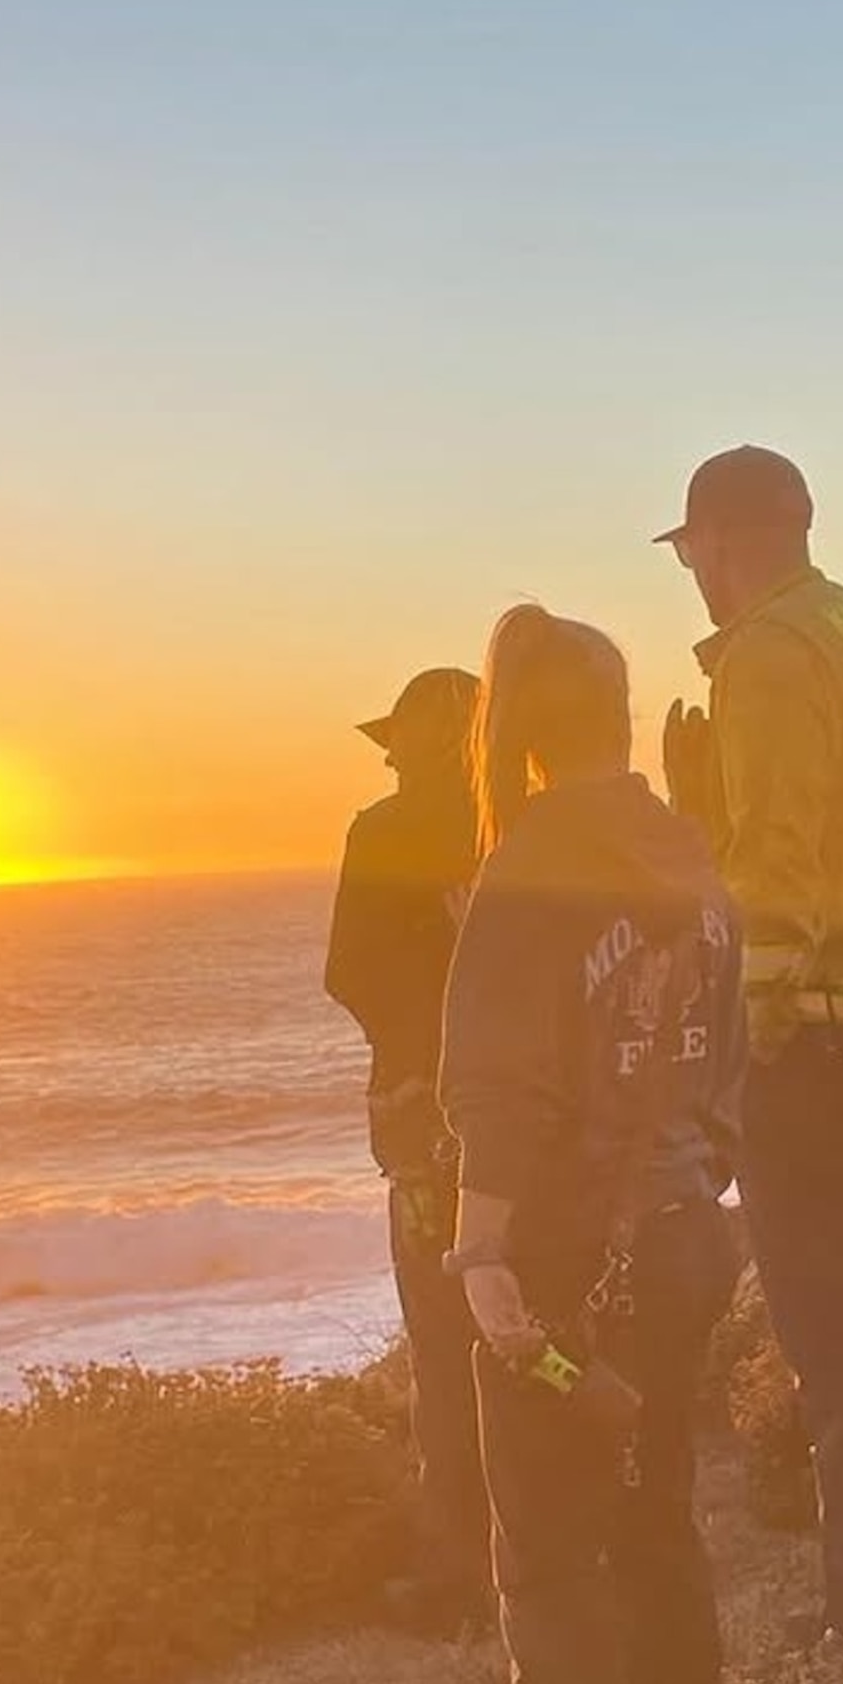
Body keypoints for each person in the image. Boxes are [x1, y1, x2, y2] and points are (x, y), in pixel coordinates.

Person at [440, 607, 746, 1684]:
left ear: (515, 729)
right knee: (657, 1511)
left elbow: (502, 1093)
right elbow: (732, 1049)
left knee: (551, 1561)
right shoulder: (691, 853)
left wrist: (481, 1252)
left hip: (570, 1264)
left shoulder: (533, 872)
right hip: (685, 1234)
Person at [655, 445, 843, 1638]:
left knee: (836, 1329)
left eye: (693, 552)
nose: (695, 576)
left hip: (824, 1025)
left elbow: (775, 877)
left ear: (722, 543)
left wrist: (742, 1049)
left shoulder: (770, 659)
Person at [324, 667, 487, 1627]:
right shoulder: (521, 822)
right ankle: (547, 1531)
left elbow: (347, 970)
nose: (385, 759)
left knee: (441, 1334)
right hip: (523, 1112)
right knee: (529, 1317)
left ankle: (458, 1567)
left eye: (396, 743)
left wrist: (411, 1054)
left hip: (423, 1119)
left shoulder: (381, 833)